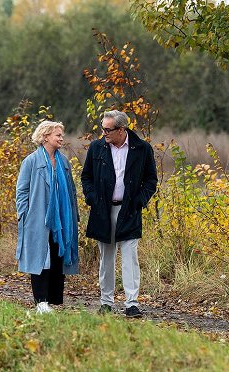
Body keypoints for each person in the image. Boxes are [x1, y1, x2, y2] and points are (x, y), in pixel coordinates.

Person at [81, 110, 158, 318]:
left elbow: (151, 180)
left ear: (121, 129)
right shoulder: (97, 147)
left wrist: (139, 201)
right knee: (106, 258)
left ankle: (132, 303)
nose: (103, 133)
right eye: (102, 128)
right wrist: (92, 198)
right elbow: (86, 177)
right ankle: (106, 302)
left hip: (129, 210)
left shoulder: (142, 149)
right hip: (102, 210)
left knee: (130, 257)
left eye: (108, 129)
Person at [16, 120, 80, 314]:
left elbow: (71, 190)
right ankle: (41, 302)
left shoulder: (64, 162)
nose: (61, 138)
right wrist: (24, 215)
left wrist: (74, 215)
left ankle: (51, 301)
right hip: (37, 219)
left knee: (56, 256)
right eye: (57, 135)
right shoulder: (31, 161)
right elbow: (22, 192)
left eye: (61, 134)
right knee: (40, 258)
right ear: (45, 137)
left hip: (62, 219)